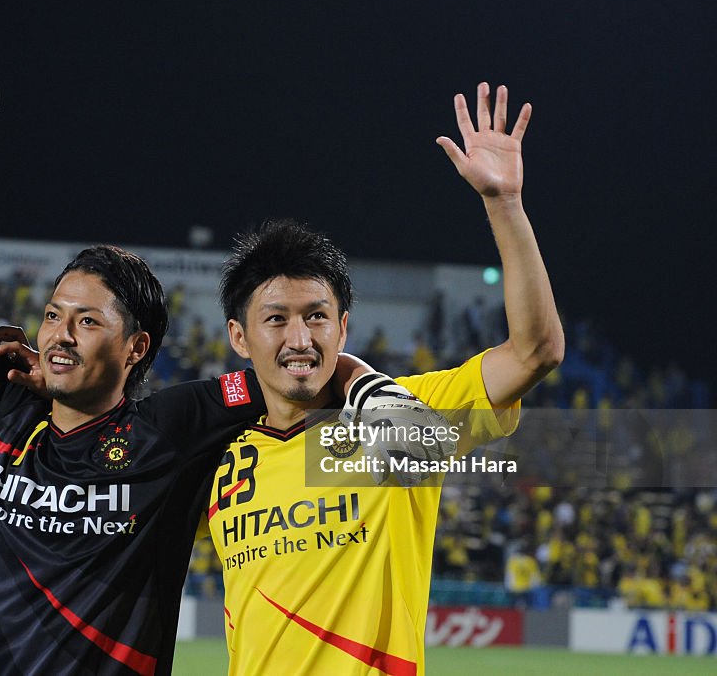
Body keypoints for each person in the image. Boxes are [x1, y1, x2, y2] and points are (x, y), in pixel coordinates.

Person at [0, 8, 369, 675]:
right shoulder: (2, 405)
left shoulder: (173, 428)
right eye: (54, 314)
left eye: (88, 321)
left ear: (136, 347)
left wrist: (367, 385)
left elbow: (291, 372)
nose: (60, 334)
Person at [207, 83, 564, 675]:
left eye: (316, 317)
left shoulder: (404, 414)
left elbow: (535, 352)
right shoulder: (216, 453)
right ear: (239, 337)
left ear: (343, 328)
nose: (300, 339)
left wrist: (504, 204)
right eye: (276, 319)